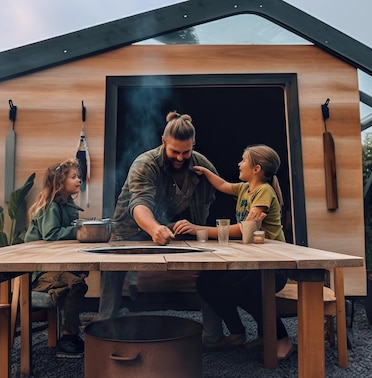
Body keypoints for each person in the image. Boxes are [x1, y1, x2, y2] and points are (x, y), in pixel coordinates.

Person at [97, 110, 222, 346]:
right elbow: (140, 205)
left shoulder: (203, 166)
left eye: (187, 152)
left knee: (210, 268)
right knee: (112, 271)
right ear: (163, 141)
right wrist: (154, 228)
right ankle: (105, 333)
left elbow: (223, 193)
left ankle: (214, 337)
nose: (181, 158)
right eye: (175, 151)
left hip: (172, 226)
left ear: (193, 144)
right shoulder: (145, 164)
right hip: (131, 229)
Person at [179, 144, 294, 360]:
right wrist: (204, 171)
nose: (239, 164)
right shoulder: (244, 189)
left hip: (273, 265)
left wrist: (198, 229)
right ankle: (238, 332)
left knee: (244, 289)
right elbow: (221, 184)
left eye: (243, 160)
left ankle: (282, 339)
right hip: (252, 260)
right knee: (207, 282)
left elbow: (243, 229)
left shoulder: (264, 192)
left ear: (257, 168)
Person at [25, 159, 89, 356]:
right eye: (73, 177)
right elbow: (51, 234)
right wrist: (79, 229)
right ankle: (68, 337)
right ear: (60, 183)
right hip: (37, 273)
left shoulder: (66, 205)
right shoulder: (52, 206)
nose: (79, 180)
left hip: (51, 267)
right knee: (77, 284)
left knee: (78, 280)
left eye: (78, 176)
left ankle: (62, 296)